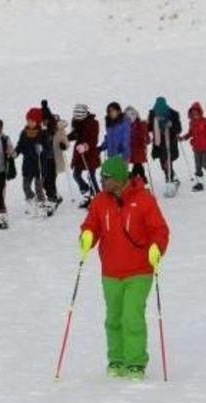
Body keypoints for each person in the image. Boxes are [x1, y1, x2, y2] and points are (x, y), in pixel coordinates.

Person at [79, 156, 170, 381]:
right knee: (113, 318)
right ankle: (116, 359)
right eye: (102, 177)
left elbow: (160, 229)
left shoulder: (144, 199)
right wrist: (87, 235)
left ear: (120, 178)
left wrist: (157, 247)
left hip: (139, 271)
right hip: (110, 272)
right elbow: (91, 224)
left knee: (132, 317)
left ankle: (135, 362)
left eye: (106, 178)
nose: (102, 181)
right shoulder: (100, 201)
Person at [14, 108, 53, 216]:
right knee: (26, 186)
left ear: (38, 122)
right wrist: (15, 153)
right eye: (28, 120)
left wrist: (42, 149)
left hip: (40, 165)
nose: (29, 123)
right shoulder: (24, 133)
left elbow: (48, 150)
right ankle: (31, 201)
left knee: (38, 187)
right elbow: (20, 146)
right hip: (27, 165)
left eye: (32, 121)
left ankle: (41, 205)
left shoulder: (43, 133)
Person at [180, 102, 206, 191]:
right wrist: (183, 138)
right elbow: (190, 133)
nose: (195, 115)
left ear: (200, 112)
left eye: (196, 113)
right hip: (196, 147)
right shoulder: (191, 122)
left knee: (205, 164)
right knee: (198, 166)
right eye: (193, 114)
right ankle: (199, 184)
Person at [68, 103, 100, 208]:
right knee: (76, 175)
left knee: (91, 176)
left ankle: (97, 197)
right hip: (79, 154)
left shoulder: (93, 123)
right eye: (76, 117)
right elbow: (74, 135)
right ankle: (87, 193)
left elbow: (94, 140)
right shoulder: (76, 122)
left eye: (79, 117)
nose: (77, 119)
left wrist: (85, 146)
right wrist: (66, 139)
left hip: (90, 154)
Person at [148, 97, 182, 189]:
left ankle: (170, 179)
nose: (160, 115)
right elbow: (149, 127)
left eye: (162, 113)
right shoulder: (153, 114)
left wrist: (171, 125)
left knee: (167, 161)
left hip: (170, 141)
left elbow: (178, 129)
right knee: (163, 164)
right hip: (159, 142)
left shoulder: (173, 114)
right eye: (158, 113)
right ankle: (172, 177)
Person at [126, 106, 150, 184]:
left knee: (137, 164)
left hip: (139, 149)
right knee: (138, 164)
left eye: (132, 115)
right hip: (132, 150)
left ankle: (135, 180)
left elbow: (147, 138)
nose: (130, 118)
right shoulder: (127, 126)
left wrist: (144, 140)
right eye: (128, 116)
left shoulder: (141, 124)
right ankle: (142, 179)